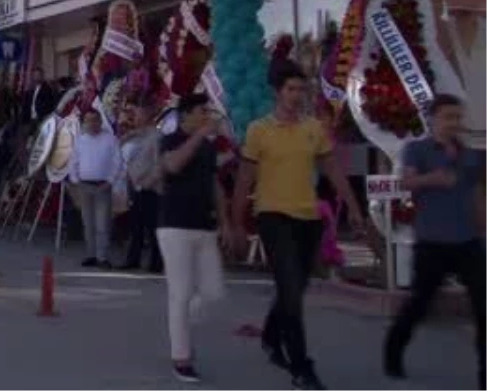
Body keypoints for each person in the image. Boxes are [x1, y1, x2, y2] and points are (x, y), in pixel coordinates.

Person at [232, 61, 364, 391]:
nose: (296, 95)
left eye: (300, 89)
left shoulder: (313, 128)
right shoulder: (258, 130)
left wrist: (353, 206)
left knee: (295, 288)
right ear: (277, 92)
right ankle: (302, 368)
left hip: (308, 218)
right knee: (290, 290)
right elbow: (244, 179)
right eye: (290, 89)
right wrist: (235, 223)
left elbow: (333, 170)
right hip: (272, 216)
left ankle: (271, 335)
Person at [384, 94, 486, 388]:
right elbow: (406, 182)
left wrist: (483, 221)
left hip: (468, 241)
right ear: (433, 120)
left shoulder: (468, 154)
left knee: (484, 307)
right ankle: (394, 350)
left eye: (457, 117)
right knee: (419, 303)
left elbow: (477, 192)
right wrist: (433, 179)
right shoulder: (417, 150)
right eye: (447, 117)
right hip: (432, 242)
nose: (453, 123)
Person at [156, 93, 238, 383]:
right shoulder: (171, 139)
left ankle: (183, 323)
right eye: (202, 111)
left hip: (205, 226)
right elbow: (173, 165)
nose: (207, 115)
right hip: (174, 226)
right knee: (179, 293)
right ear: (187, 114)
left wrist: (226, 221)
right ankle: (181, 358)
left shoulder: (207, 147)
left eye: (208, 111)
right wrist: (200, 135)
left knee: (213, 291)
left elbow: (214, 184)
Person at [69, 107, 123, 268]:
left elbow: (117, 162)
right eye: (88, 120)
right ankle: (91, 254)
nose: (92, 124)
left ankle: (102, 256)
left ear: (100, 122)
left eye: (95, 120)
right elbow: (73, 162)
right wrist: (75, 180)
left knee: (102, 224)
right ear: (84, 123)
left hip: (102, 186)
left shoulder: (110, 140)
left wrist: (110, 180)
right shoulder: (80, 140)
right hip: (85, 185)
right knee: (88, 223)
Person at [123, 103, 164, 273]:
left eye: (139, 115)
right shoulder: (137, 136)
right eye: (135, 115)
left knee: (153, 227)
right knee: (136, 225)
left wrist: (149, 181)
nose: (136, 118)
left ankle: (156, 263)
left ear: (148, 116)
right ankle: (133, 259)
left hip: (151, 188)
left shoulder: (157, 136)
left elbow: (158, 162)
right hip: (136, 186)